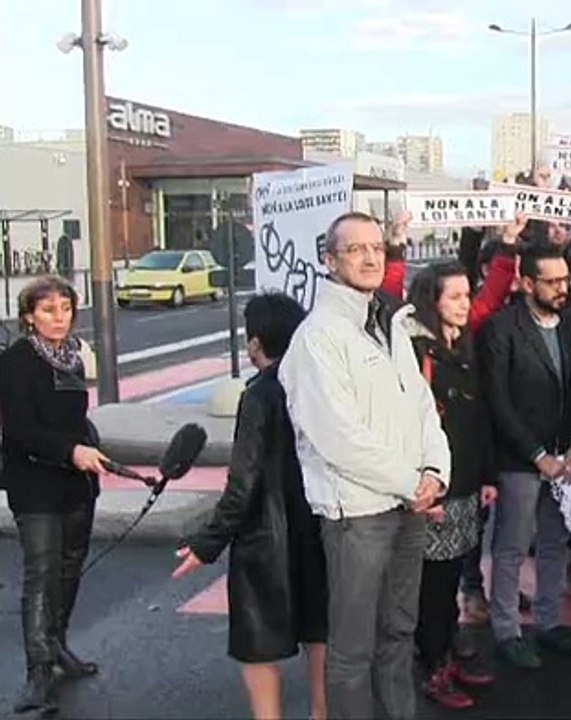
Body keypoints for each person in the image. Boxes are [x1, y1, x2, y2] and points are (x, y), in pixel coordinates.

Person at [279, 211, 453, 720]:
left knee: (398, 632)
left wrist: (434, 472)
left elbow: (422, 407)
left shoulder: (390, 325)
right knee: (352, 650)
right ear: (329, 260)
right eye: (355, 249)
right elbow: (338, 435)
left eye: (376, 247)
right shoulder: (317, 338)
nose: (370, 257)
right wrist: (410, 483)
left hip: (409, 506)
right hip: (357, 514)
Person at [172, 292, 327, 720]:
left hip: (265, 538)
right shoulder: (318, 385)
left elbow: (243, 483)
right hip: (320, 526)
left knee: (258, 645)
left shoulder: (259, 396)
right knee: (320, 631)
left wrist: (207, 543)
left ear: (256, 343)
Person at [477, 242, 571, 669]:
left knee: (555, 542)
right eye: (554, 281)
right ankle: (507, 630)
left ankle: (549, 622)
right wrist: (537, 454)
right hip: (519, 460)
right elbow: (498, 401)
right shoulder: (500, 328)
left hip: (566, 457)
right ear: (527, 283)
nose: (564, 287)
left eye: (566, 278)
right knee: (510, 547)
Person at [1, 276, 107, 716]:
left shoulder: (73, 357)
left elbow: (75, 419)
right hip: (35, 485)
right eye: (48, 310)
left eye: (65, 308)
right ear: (28, 316)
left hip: (75, 482)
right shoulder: (17, 360)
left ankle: (59, 645)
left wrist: (91, 447)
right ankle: (37, 672)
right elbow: (20, 431)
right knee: (41, 575)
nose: (59, 317)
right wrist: (71, 450)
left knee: (69, 570)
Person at [402, 261, 500, 709]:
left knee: (448, 583)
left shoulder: (464, 346)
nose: (466, 304)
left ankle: (445, 657)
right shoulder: (415, 350)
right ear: (432, 300)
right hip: (433, 493)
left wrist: (486, 476)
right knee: (433, 590)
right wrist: (423, 488)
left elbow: (475, 419)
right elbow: (408, 427)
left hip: (463, 487)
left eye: (467, 294)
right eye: (455, 296)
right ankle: (433, 668)